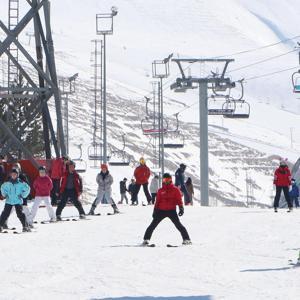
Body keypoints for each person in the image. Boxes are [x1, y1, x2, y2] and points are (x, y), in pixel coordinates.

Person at [142, 173, 192, 246]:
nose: (166, 181)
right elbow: (157, 201)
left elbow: (179, 200)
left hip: (171, 211)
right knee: (153, 225)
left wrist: (181, 208)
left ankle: (187, 239)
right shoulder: (160, 190)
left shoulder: (175, 189)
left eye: (168, 180)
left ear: (171, 180)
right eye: (165, 179)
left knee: (178, 225)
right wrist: (155, 210)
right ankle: (146, 239)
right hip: (161, 211)